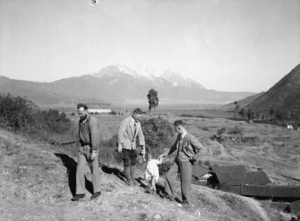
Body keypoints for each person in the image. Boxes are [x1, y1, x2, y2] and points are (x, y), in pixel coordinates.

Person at [160, 120, 204, 207]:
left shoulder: (190, 137)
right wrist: (164, 154)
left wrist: (193, 157)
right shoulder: (179, 136)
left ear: (179, 128)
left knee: (185, 183)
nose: (175, 131)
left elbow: (202, 149)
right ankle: (170, 195)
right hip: (177, 161)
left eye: (176, 129)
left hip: (186, 163)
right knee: (169, 176)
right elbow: (173, 147)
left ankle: (187, 203)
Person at [71, 103, 101, 201]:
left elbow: (95, 136)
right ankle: (80, 192)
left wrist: (94, 151)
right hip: (82, 148)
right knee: (79, 169)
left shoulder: (92, 121)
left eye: (81, 113)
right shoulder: (81, 121)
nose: (79, 115)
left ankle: (97, 191)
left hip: (91, 147)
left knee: (94, 169)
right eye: (78, 113)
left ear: (86, 111)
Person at [117, 108, 146, 186]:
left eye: (141, 115)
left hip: (133, 145)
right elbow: (120, 132)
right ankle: (128, 178)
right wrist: (119, 144)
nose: (141, 117)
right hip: (125, 144)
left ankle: (132, 177)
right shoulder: (126, 121)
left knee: (133, 161)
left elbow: (141, 135)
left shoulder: (138, 123)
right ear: (134, 114)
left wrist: (143, 148)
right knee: (127, 161)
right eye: (139, 115)